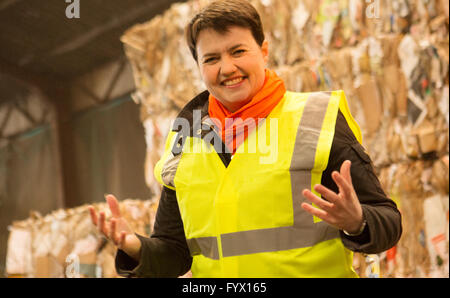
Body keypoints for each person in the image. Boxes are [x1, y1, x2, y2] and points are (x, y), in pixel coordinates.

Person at [89, 0, 402, 278]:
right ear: (199, 67)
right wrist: (134, 246)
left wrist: (357, 221)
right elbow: (174, 252)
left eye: (238, 51)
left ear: (263, 52)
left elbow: (389, 222)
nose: (227, 68)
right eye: (211, 59)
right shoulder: (186, 136)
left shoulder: (316, 119)